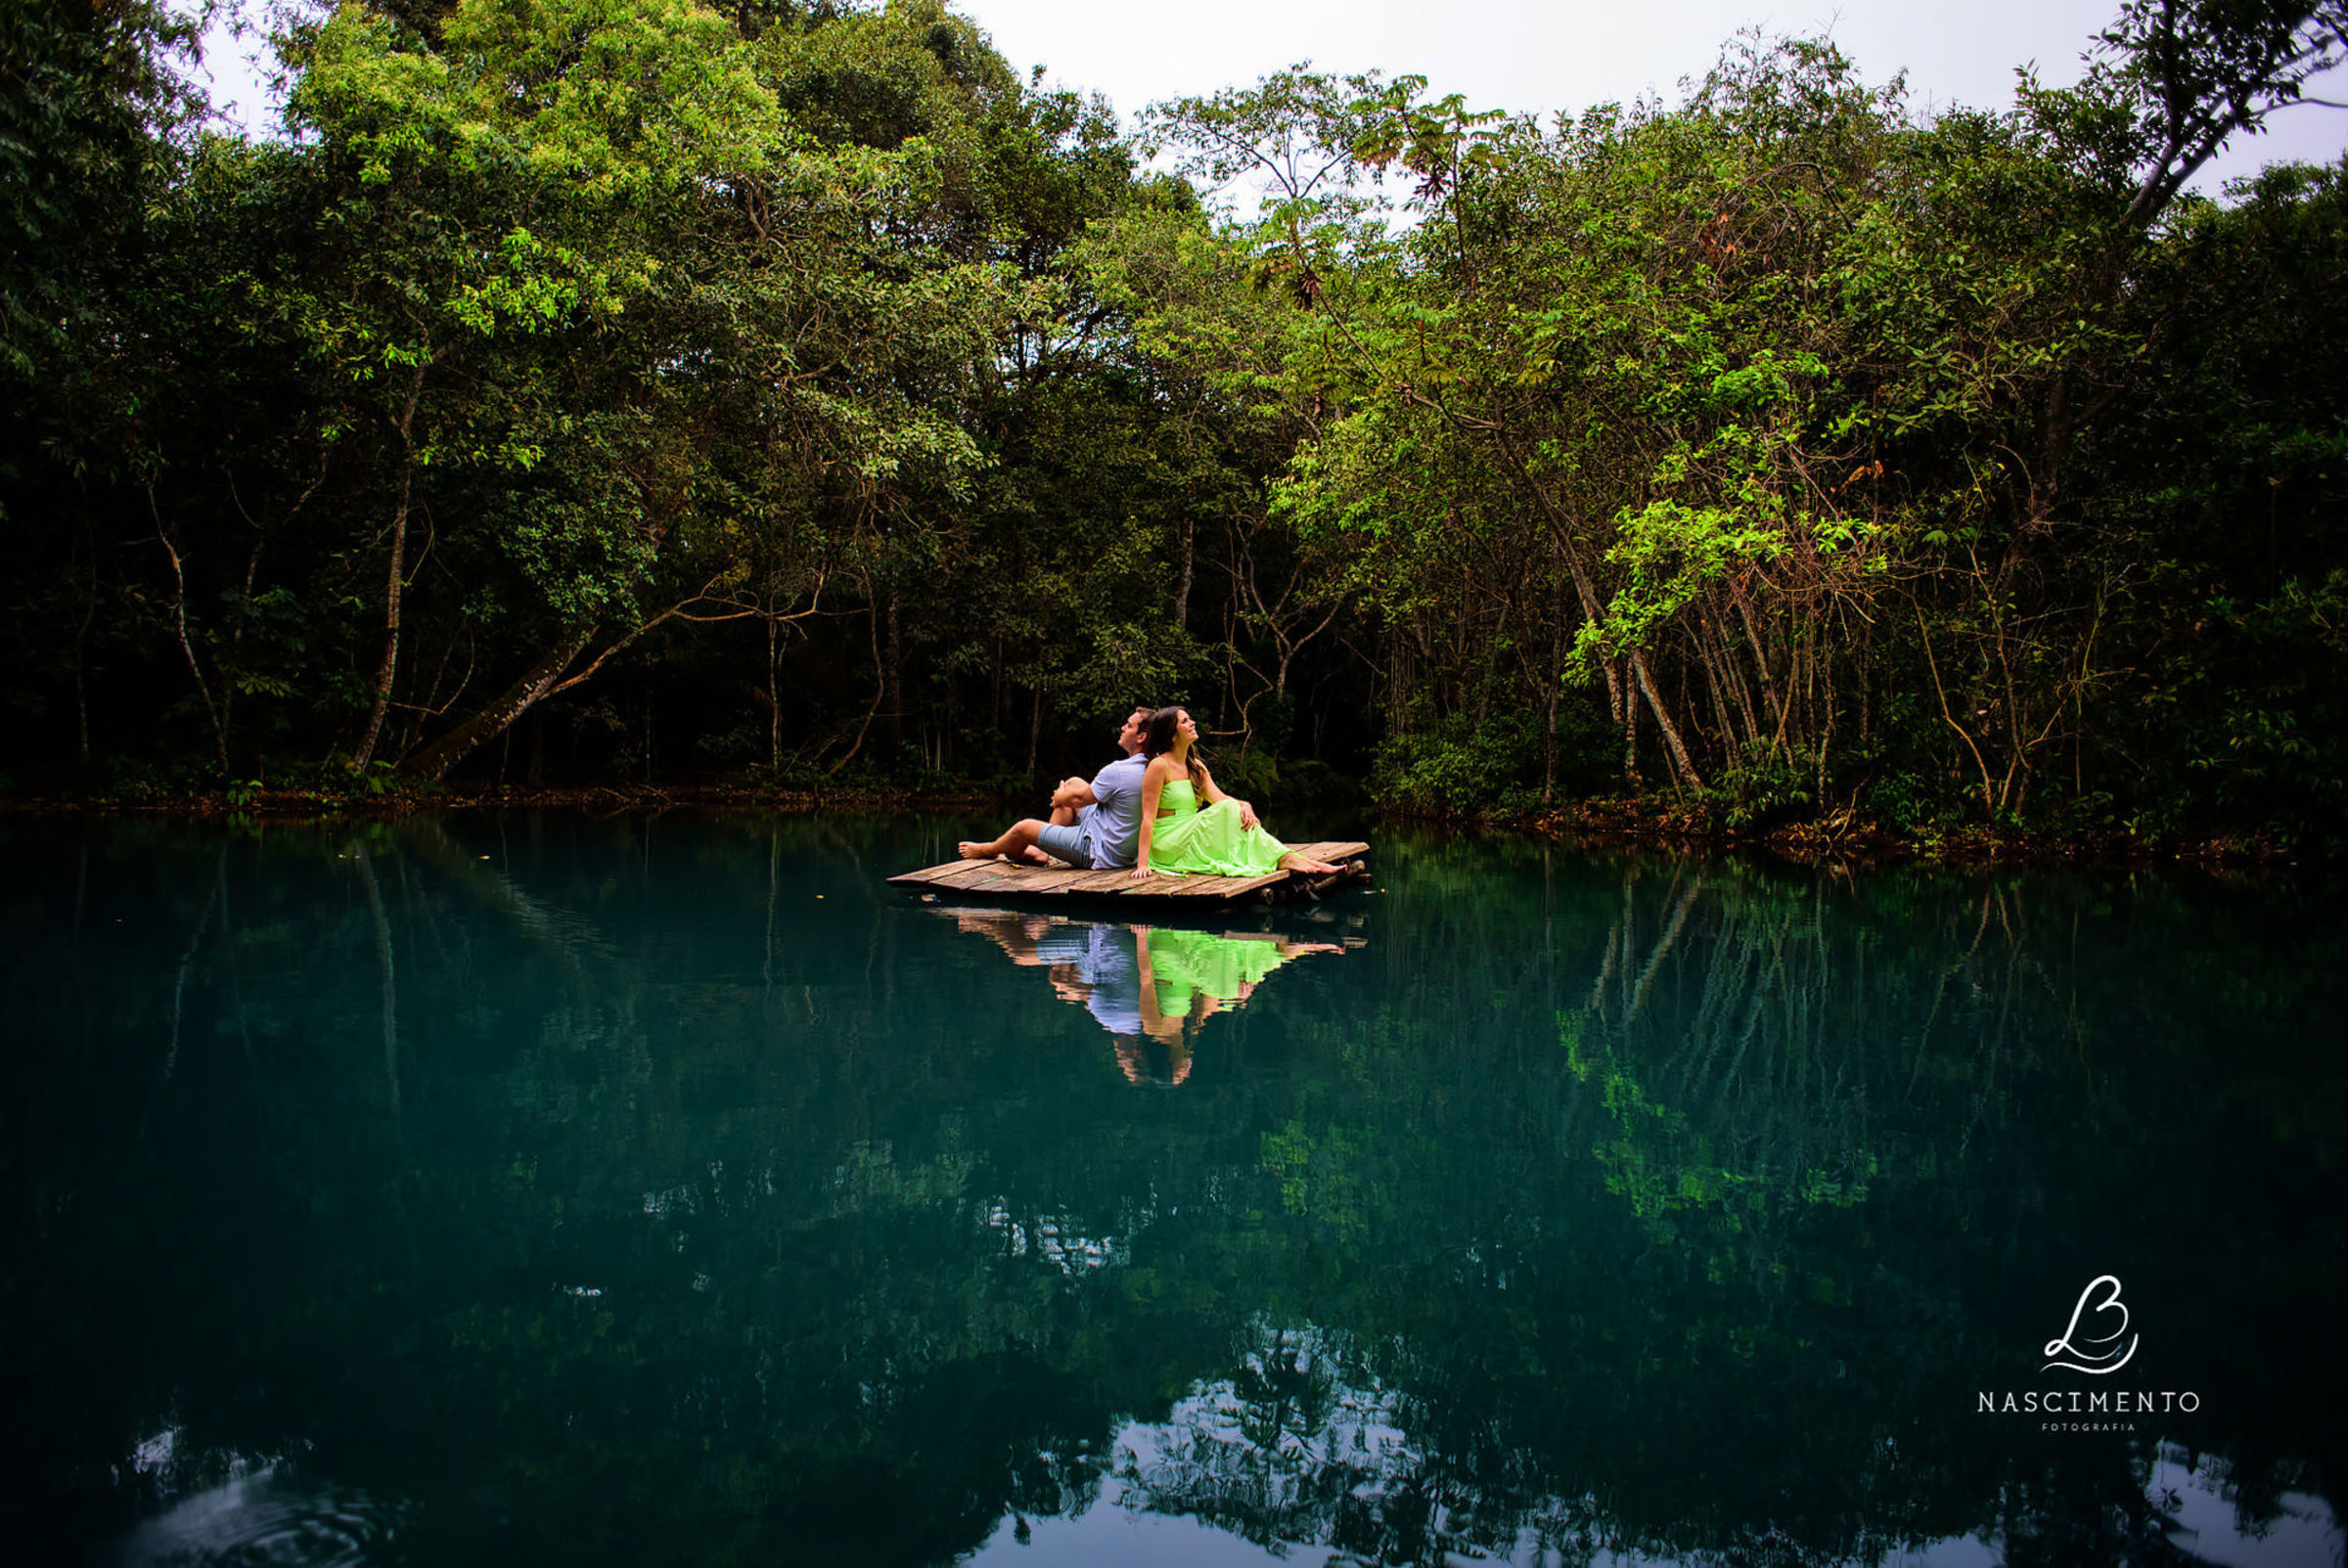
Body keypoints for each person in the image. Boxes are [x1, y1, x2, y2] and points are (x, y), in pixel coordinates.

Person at [1131, 706, 1345, 879]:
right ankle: (1287, 859)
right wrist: (1143, 864)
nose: (1192, 722)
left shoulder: (1196, 766)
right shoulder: (1159, 766)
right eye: (1185, 721)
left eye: (1190, 718)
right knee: (1226, 810)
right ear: (1172, 734)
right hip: (1168, 840)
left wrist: (1246, 806)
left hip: (1191, 832)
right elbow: (1148, 818)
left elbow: (1221, 799)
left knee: (1235, 811)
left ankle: (1291, 858)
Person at [958, 706, 1151, 870]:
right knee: (1074, 782)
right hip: (1118, 845)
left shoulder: (1118, 771)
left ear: (1141, 737)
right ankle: (1044, 851)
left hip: (1095, 850)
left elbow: (1078, 800)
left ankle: (989, 849)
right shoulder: (1154, 767)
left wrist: (1060, 797)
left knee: (1023, 828)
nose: (1123, 728)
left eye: (1129, 725)